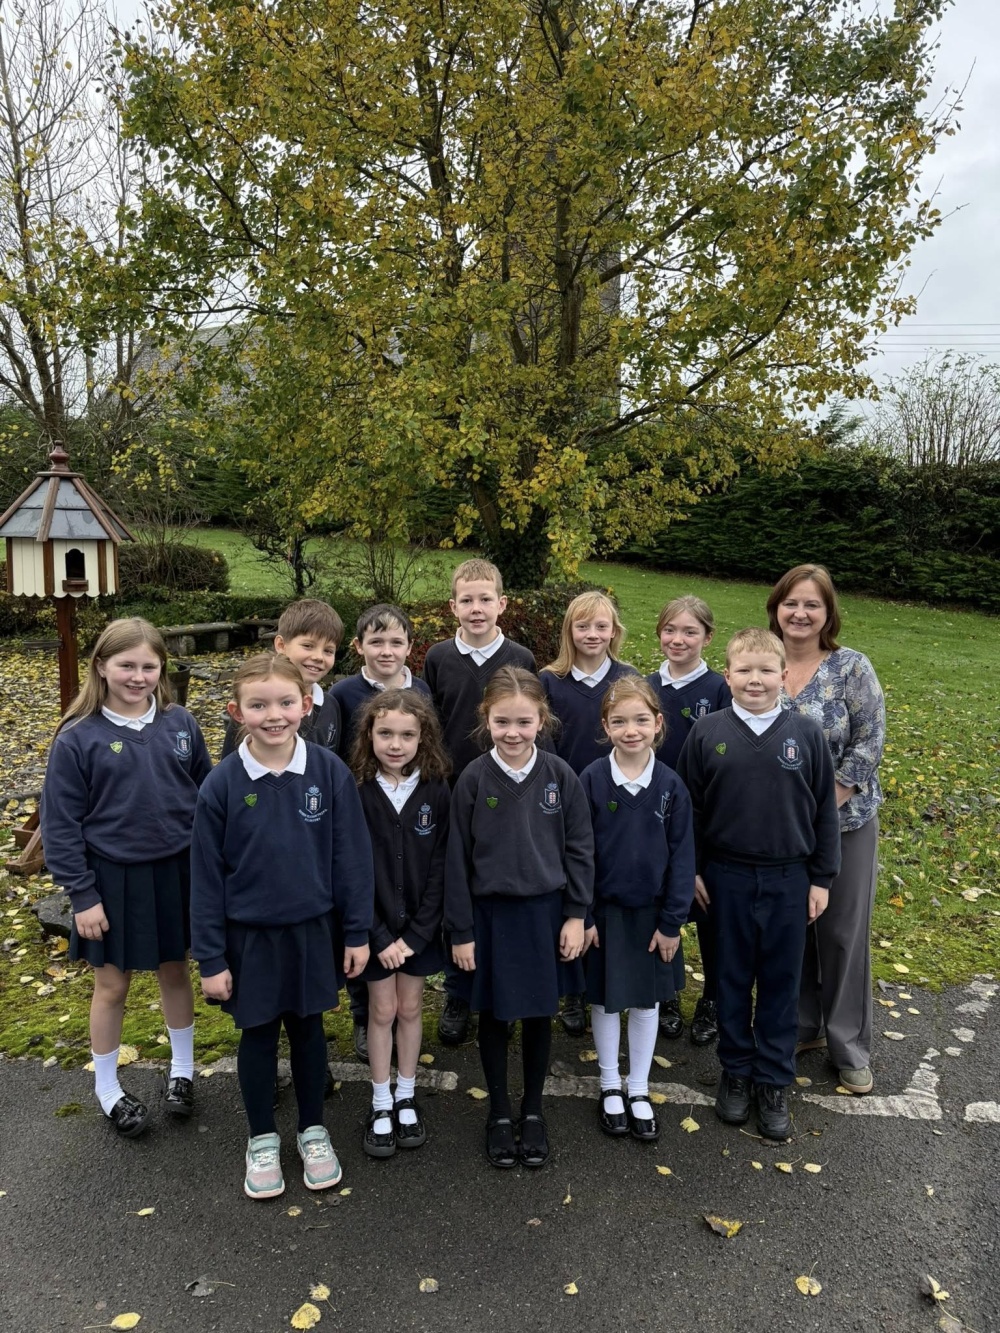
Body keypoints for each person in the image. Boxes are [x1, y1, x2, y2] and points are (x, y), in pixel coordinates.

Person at [190, 654, 374, 1199]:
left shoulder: (329, 772)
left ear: (306, 704)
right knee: (259, 1034)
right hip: (248, 938)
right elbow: (205, 879)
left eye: (285, 702)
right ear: (236, 712)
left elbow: (352, 859)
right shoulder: (221, 784)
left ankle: (313, 1130)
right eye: (259, 705)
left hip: (313, 932)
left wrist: (357, 932)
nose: (274, 715)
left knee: (309, 1031)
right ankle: (262, 1138)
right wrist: (211, 958)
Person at [40, 618, 212, 1137]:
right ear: (101, 666)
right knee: (112, 985)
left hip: (177, 872)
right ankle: (108, 1088)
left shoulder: (181, 724)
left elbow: (207, 793)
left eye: (148, 666)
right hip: (110, 879)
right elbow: (60, 824)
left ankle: (182, 1071)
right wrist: (82, 894)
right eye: (126, 665)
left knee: (175, 971)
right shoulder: (77, 737)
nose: (138, 676)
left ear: (161, 669)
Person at [676, 628, 840, 1141]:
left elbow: (824, 812)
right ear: (727, 676)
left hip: (789, 878)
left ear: (783, 676)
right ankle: (736, 1070)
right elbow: (689, 810)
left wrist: (821, 878)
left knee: (779, 982)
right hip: (724, 878)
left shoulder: (805, 734)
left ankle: (772, 1079)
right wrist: (692, 869)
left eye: (766, 670)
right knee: (728, 978)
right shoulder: (707, 732)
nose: (755, 679)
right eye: (744, 670)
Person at [445, 667, 594, 1169]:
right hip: (489, 917)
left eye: (524, 722)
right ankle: (499, 1112)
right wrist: (461, 930)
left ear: (541, 720)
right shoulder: (472, 778)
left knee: (537, 1014)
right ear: (486, 719)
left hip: (545, 916)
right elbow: (456, 860)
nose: (513, 732)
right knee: (494, 1015)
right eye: (502, 721)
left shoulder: (560, 775)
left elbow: (580, 849)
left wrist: (575, 915)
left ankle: (532, 1109)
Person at [767, 564, 886, 1096]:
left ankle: (848, 1045)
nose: (800, 613)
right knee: (794, 929)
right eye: (791, 603)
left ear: (828, 612)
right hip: (778, 832)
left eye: (812, 604)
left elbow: (869, 743)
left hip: (845, 822)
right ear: (776, 608)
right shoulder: (762, 662)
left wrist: (822, 806)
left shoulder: (850, 667)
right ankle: (801, 1024)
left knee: (840, 933)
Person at [423, 558, 536, 1046]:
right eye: (466, 600)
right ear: (453, 606)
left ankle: (501, 987)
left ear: (501, 604)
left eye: (485, 599)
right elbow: (431, 725)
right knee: (458, 886)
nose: (476, 608)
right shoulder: (438, 658)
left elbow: (531, 723)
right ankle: (458, 990)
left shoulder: (520, 658)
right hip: (453, 791)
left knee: (499, 890)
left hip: (506, 792)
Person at [579, 678, 695, 1143]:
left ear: (658, 723)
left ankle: (639, 1086)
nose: (631, 730)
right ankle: (610, 1084)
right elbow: (579, 854)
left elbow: (683, 858)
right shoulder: (590, 780)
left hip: (653, 918)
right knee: (605, 1000)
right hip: (604, 915)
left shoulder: (671, 786)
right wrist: (584, 915)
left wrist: (672, 922)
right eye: (620, 721)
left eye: (641, 720)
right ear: (605, 726)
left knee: (647, 1003)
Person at [349, 689, 451, 1158]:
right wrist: (378, 936)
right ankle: (380, 1100)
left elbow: (441, 866)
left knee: (410, 1009)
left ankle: (406, 1094)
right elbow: (350, 868)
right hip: (374, 932)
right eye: (385, 733)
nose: (395, 744)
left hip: (417, 934)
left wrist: (416, 935)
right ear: (368, 734)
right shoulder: (355, 788)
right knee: (381, 1011)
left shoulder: (436, 787)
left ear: (422, 737)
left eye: (407, 735)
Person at [330, 603, 433, 1062]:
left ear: (410, 647)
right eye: (376, 641)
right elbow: (340, 752)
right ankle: (364, 1015)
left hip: (408, 811)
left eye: (396, 642)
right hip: (365, 806)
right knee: (365, 928)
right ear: (359, 647)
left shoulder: (422, 690)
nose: (386, 650)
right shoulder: (343, 693)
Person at [541, 591, 638, 1037]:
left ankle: (609, 977)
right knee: (571, 887)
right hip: (564, 802)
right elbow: (544, 744)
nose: (592, 634)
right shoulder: (549, 681)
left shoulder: (628, 678)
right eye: (583, 626)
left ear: (614, 631)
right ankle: (573, 988)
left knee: (605, 885)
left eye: (601, 626)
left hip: (615, 802)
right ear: (569, 631)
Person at [646, 595, 731, 1046]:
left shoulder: (719, 690)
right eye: (670, 630)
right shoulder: (645, 685)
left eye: (690, 631)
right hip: (653, 821)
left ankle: (713, 998)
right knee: (663, 908)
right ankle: (667, 994)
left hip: (705, 823)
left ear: (708, 638)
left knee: (710, 912)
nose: (678, 639)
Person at [220, 599, 344, 758]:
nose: (318, 657)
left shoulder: (331, 706)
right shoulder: (253, 708)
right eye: (308, 646)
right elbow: (230, 765)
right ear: (281, 645)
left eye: (328, 651)